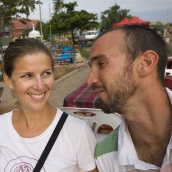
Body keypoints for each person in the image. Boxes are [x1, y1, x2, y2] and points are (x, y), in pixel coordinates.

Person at [0, 38, 98, 172]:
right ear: (9, 81)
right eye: (27, 75)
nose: (40, 86)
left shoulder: (77, 133)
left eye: (46, 73)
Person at [86, 25, 172, 171]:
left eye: (101, 64)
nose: (90, 80)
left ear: (145, 63)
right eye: (91, 68)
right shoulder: (104, 157)